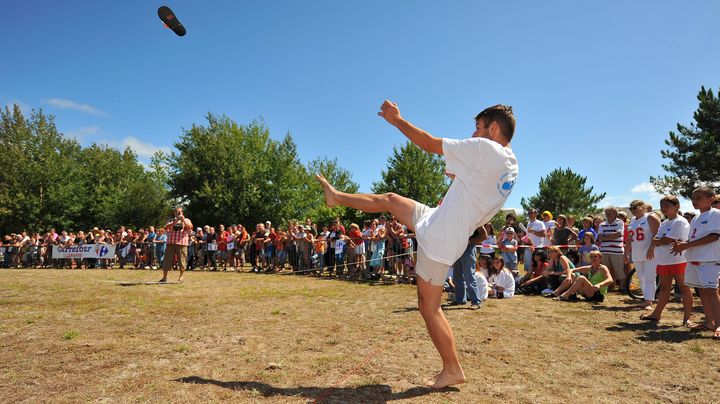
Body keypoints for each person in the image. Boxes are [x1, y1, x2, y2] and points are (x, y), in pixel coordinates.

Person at [316, 100, 517, 388]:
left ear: (493, 128)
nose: (473, 134)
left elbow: (430, 144)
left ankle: (452, 368)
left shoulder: (487, 149)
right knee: (390, 199)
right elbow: (467, 181)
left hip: (441, 236)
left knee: (429, 307)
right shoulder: (511, 166)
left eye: (478, 127)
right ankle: (337, 197)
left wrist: (397, 120)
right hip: (439, 220)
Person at [671, 187, 720, 339]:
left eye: (698, 197)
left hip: (710, 259)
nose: (694, 201)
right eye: (693, 198)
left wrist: (686, 245)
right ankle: (710, 322)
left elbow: (714, 236)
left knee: (711, 291)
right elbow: (695, 239)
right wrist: (683, 244)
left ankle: (719, 324)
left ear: (711, 198)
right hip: (695, 259)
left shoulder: (716, 214)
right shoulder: (697, 218)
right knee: (703, 291)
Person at [642, 195, 693, 326]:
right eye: (662, 206)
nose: (663, 208)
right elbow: (657, 239)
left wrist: (661, 240)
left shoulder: (680, 222)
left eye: (666, 206)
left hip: (678, 260)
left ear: (677, 206)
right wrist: (661, 240)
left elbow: (665, 240)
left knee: (684, 288)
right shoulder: (664, 223)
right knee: (664, 288)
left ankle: (687, 318)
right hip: (664, 260)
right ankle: (656, 314)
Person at [626, 200, 661, 309]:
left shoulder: (650, 217)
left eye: (636, 207)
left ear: (643, 207)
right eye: (631, 208)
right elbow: (629, 238)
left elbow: (657, 234)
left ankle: (649, 301)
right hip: (637, 252)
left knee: (650, 277)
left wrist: (652, 248)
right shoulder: (632, 220)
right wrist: (626, 252)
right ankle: (646, 298)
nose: (633, 210)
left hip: (649, 252)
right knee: (641, 277)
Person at [447, 227, 487, 309]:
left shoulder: (474, 219)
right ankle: (460, 299)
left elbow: (484, 236)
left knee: (469, 276)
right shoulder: (456, 219)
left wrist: (470, 241)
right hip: (457, 248)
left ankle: (476, 302)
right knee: (457, 275)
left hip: (468, 248)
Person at [161, 206, 193, 283]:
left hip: (182, 243)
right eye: (176, 211)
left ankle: (181, 277)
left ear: (182, 212)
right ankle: (164, 277)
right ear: (174, 213)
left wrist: (183, 220)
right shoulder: (170, 220)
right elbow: (167, 227)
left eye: (179, 212)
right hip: (171, 242)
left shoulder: (186, 220)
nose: (177, 213)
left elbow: (190, 228)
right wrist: (175, 221)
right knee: (167, 260)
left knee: (182, 260)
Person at [598, 207, 626, 291]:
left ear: (615, 213)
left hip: (616, 251)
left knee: (619, 269)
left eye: (609, 212)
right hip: (604, 251)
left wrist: (605, 236)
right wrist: (611, 236)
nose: (607, 214)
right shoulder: (602, 224)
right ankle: (611, 286)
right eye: (606, 212)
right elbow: (599, 237)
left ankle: (622, 287)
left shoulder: (620, 222)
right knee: (607, 269)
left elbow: (618, 234)